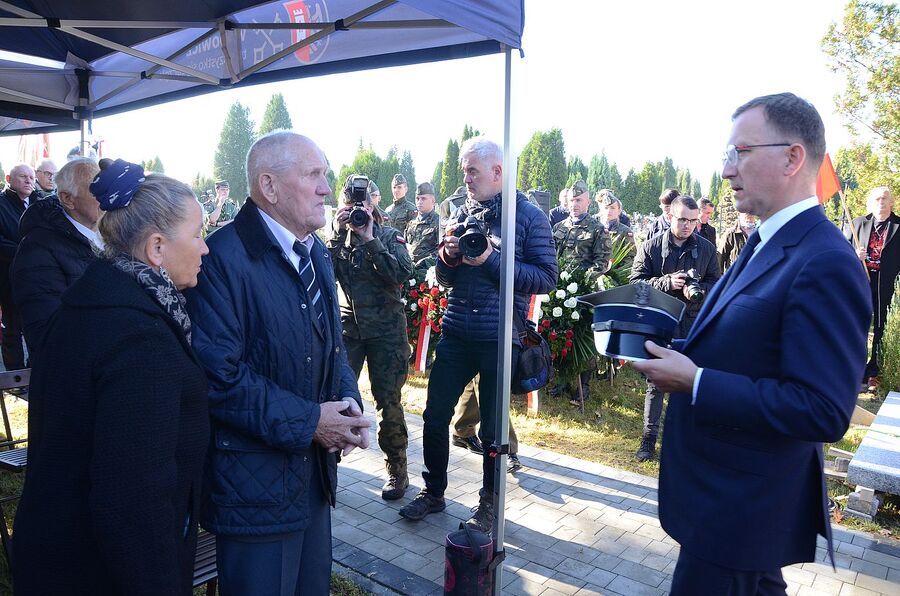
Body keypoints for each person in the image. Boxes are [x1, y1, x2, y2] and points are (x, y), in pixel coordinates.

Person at [633, 93, 871, 594]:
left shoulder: (825, 260)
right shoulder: (765, 240)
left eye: (740, 153)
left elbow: (822, 409)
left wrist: (697, 382)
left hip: (740, 510)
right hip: (723, 505)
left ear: (792, 158)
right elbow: (742, 341)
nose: (726, 171)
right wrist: (666, 346)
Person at [13, 160, 211, 595]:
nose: (205, 248)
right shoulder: (139, 338)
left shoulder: (96, 299)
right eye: (198, 234)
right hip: (97, 573)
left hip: (59, 554)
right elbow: (134, 501)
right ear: (156, 247)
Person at [185, 131, 369, 596]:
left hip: (312, 478)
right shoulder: (221, 259)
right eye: (313, 175)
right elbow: (217, 378)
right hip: (254, 490)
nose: (327, 188)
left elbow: (332, 347)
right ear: (268, 185)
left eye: (325, 174)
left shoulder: (316, 251)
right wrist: (312, 422)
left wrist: (347, 403)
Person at [398, 137, 557, 533]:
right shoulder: (461, 211)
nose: (465, 178)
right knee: (435, 415)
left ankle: (489, 503)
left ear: (497, 172)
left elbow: (545, 278)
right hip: (456, 330)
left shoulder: (528, 216)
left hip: (499, 336)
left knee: (491, 429)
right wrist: (447, 257)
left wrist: (490, 259)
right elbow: (446, 279)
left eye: (472, 171)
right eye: (464, 171)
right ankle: (434, 491)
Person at [327, 175, 413, 501]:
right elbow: (321, 273)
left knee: (388, 402)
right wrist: (337, 234)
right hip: (349, 331)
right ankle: (328, 466)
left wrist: (370, 240)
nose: (357, 211)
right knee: (337, 399)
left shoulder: (389, 236)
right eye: (350, 204)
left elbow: (401, 274)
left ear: (373, 204)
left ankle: (397, 469)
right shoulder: (338, 241)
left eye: (361, 204)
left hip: (387, 332)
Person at [630, 195, 720, 461]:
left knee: (689, 382)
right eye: (682, 220)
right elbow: (635, 284)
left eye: (693, 220)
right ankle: (648, 440)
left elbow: (716, 284)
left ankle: (685, 442)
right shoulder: (650, 247)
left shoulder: (706, 249)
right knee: (655, 383)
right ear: (670, 216)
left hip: (692, 323)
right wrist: (666, 283)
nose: (688, 225)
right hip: (659, 322)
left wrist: (697, 289)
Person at [11, 158, 102, 359]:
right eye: (97, 189)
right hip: (75, 370)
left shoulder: (112, 236)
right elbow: (48, 333)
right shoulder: (37, 249)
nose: (108, 195)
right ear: (68, 199)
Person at [553, 180, 611, 403]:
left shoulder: (597, 229)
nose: (574, 204)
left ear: (587, 201)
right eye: (571, 200)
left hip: (585, 292)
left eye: (578, 200)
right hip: (560, 292)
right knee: (560, 333)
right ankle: (562, 379)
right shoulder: (559, 227)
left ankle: (583, 385)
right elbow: (551, 257)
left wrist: (583, 281)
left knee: (583, 337)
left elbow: (602, 263)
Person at [845, 186, 899, 391]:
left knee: (881, 328)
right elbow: (840, 252)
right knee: (856, 325)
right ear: (870, 202)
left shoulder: (898, 226)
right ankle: (855, 371)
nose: (881, 202)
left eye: (885, 198)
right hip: (860, 283)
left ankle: (874, 373)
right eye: (877, 199)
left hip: (887, 285)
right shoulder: (858, 223)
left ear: (892, 201)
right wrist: (854, 256)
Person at [0, 164, 36, 370]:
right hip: (9, 279)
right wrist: (28, 250)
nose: (28, 180)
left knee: (37, 325)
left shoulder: (40, 203)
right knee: (12, 329)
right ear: (9, 179)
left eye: (31, 177)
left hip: (38, 279)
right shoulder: (2, 204)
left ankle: (35, 370)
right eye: (23, 176)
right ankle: (15, 376)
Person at [405, 181, 441, 270]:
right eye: (417, 198)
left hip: (429, 271)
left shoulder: (439, 222)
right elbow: (404, 247)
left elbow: (442, 251)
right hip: (409, 270)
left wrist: (424, 263)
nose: (419, 202)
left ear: (433, 200)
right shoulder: (411, 224)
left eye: (423, 198)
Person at [596, 189, 635, 269]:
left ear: (619, 211)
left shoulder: (625, 231)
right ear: (601, 210)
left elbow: (631, 257)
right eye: (606, 208)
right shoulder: (594, 229)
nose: (609, 211)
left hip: (615, 272)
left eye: (612, 208)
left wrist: (616, 271)